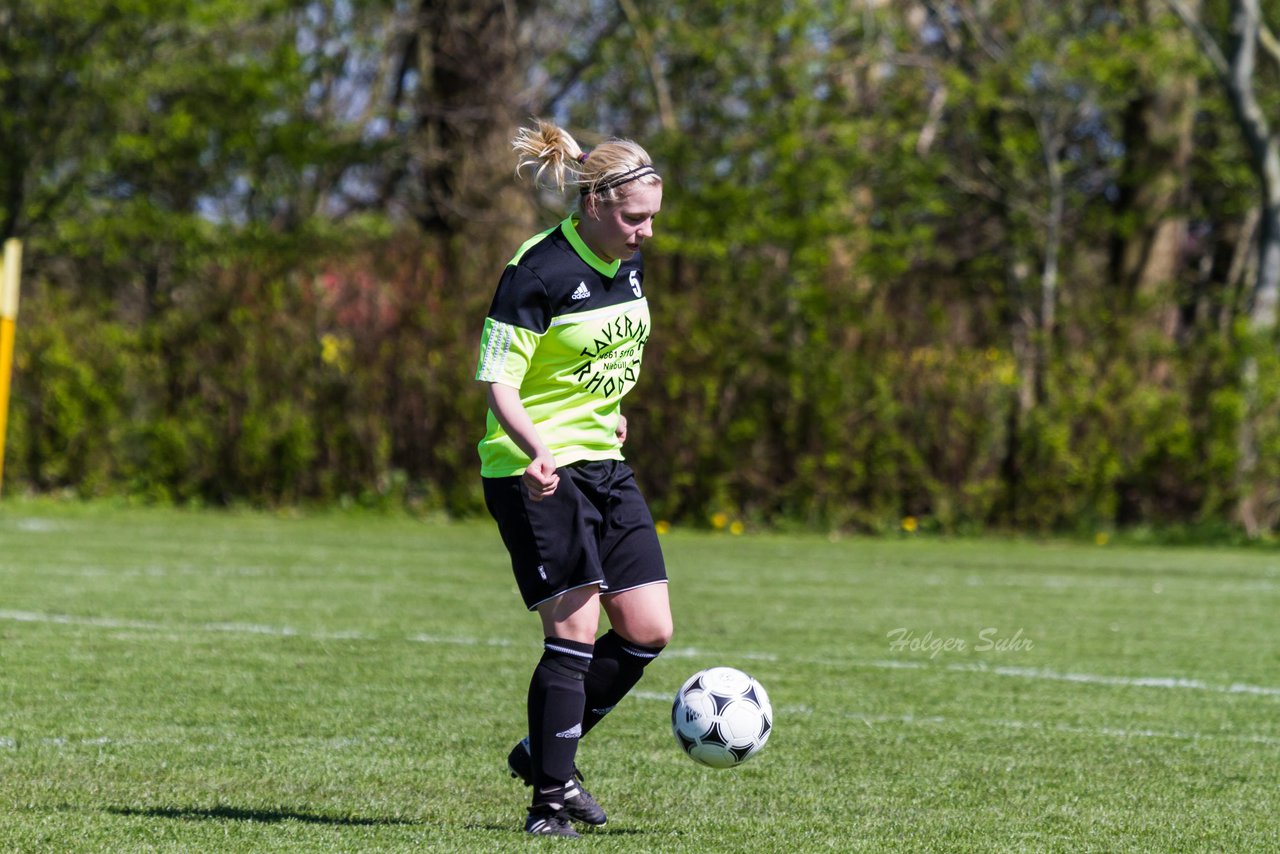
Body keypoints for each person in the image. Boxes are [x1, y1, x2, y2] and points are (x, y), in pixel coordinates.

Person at [475, 119, 674, 838]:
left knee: (648, 629)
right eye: (633, 217)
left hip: (603, 463)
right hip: (537, 471)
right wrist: (532, 449)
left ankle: (541, 753)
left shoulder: (627, 259)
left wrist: (611, 410)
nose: (645, 232)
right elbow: (499, 379)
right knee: (576, 631)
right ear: (593, 204)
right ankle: (548, 805)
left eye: (651, 218)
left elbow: (599, 355)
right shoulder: (538, 270)